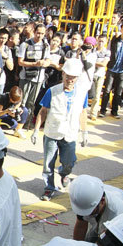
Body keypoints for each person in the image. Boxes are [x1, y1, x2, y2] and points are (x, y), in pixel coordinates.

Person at [31, 59, 89, 201]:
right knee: (48, 164)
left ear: (77, 78)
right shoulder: (52, 91)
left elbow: (83, 112)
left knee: (69, 162)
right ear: (63, 74)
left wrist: (84, 132)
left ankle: (64, 173)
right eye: (67, 76)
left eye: (73, 77)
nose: (70, 80)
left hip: (70, 133)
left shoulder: (82, 92)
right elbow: (43, 111)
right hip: (52, 132)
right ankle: (49, 188)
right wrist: (36, 130)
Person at [99, 22, 123, 119]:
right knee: (107, 90)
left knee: (118, 91)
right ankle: (103, 110)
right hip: (112, 68)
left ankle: (114, 111)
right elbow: (108, 51)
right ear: (121, 29)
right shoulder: (115, 39)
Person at [17, 24, 50, 126]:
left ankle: (28, 121)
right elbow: (20, 62)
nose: (40, 36)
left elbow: (48, 59)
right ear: (34, 32)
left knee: (32, 101)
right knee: (23, 101)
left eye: (42, 33)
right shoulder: (25, 44)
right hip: (26, 76)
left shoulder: (46, 45)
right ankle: (19, 122)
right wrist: (34, 64)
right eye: (38, 33)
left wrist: (45, 63)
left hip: (38, 78)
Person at [89, 34, 111, 119]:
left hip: (99, 75)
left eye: (103, 41)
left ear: (106, 42)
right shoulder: (93, 50)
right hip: (90, 75)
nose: (100, 43)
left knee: (97, 95)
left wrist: (92, 62)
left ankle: (93, 113)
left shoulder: (107, 52)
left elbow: (103, 64)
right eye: (99, 41)